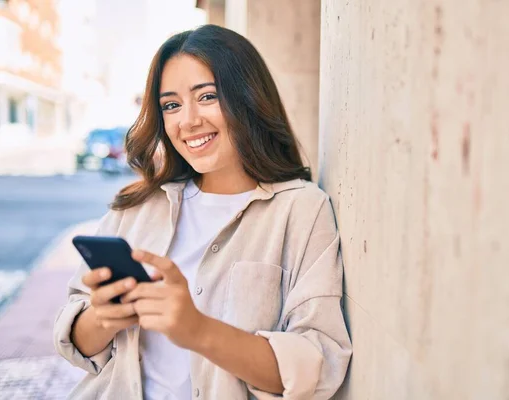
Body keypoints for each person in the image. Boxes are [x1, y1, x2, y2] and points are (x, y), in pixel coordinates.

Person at [53, 24, 352, 399]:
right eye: (171, 105)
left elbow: (318, 366)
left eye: (207, 96)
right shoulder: (137, 207)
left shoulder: (302, 210)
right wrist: (104, 316)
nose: (188, 120)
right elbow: (76, 340)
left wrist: (197, 330)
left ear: (248, 98)